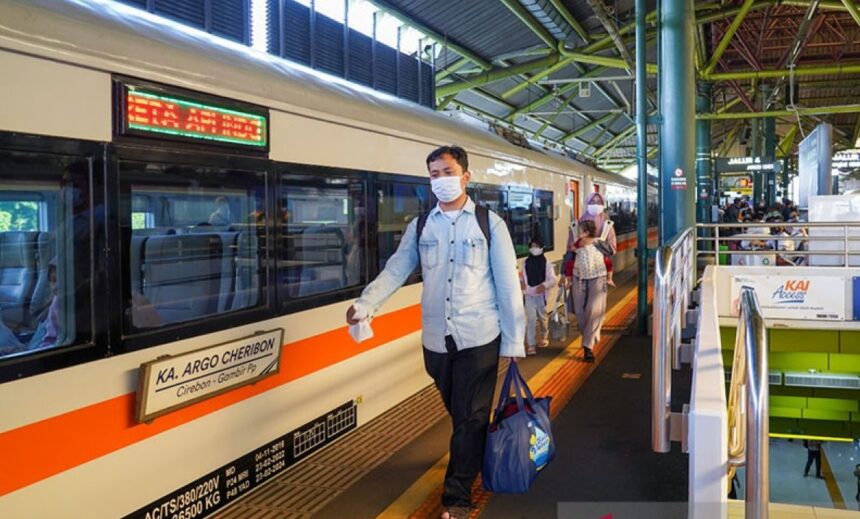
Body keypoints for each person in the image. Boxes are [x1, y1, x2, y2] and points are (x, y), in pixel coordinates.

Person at [345, 145, 525, 519]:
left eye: (447, 171)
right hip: (436, 340)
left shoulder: (490, 224)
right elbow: (396, 269)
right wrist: (366, 305)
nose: (440, 180)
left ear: (466, 177)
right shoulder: (421, 225)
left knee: (472, 417)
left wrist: (513, 341)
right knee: (462, 416)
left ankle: (457, 499)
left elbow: (508, 286)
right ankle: (475, 454)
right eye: (433, 174)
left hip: (479, 337)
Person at [568, 219, 608, 363]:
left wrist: (609, 276)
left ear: (586, 231)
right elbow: (570, 253)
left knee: (593, 310)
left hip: (598, 278)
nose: (577, 232)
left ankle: (587, 346)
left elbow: (610, 254)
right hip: (578, 277)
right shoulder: (577, 243)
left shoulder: (599, 242)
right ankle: (589, 336)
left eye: (580, 230)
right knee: (579, 312)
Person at [521, 237, 557, 355]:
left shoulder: (546, 264)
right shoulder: (525, 262)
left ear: (542, 248)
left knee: (542, 318)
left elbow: (553, 280)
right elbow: (523, 276)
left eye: (536, 246)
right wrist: (521, 282)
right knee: (531, 319)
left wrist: (544, 285)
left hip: (541, 295)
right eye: (532, 246)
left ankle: (544, 336)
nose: (534, 249)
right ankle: (531, 344)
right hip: (529, 295)